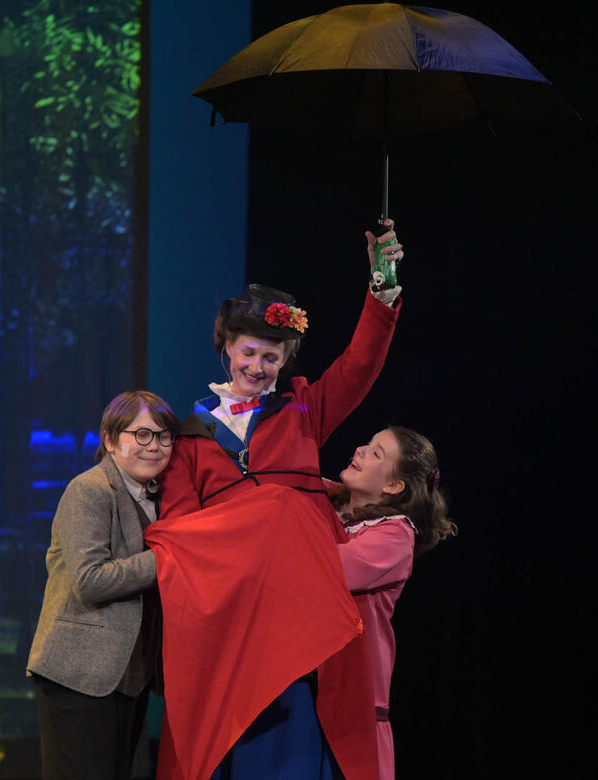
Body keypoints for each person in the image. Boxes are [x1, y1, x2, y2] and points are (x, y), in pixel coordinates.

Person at [149, 222, 405, 780]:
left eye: (271, 357)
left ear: (285, 360)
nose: (257, 367)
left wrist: (381, 287)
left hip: (294, 620)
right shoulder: (191, 435)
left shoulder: (304, 410)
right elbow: (178, 527)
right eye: (248, 353)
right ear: (226, 350)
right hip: (230, 617)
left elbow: (359, 366)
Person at [26, 390, 181, 780]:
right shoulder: (90, 490)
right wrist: (170, 558)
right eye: (142, 435)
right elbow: (90, 580)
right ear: (111, 440)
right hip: (80, 674)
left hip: (129, 677)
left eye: (164, 437)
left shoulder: (162, 497)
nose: (155, 446)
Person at [332, 426, 457, 780]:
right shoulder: (327, 502)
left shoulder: (394, 535)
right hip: (310, 690)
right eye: (367, 443)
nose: (360, 449)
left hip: (354, 708)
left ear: (394, 486)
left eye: (376, 453)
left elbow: (324, 569)